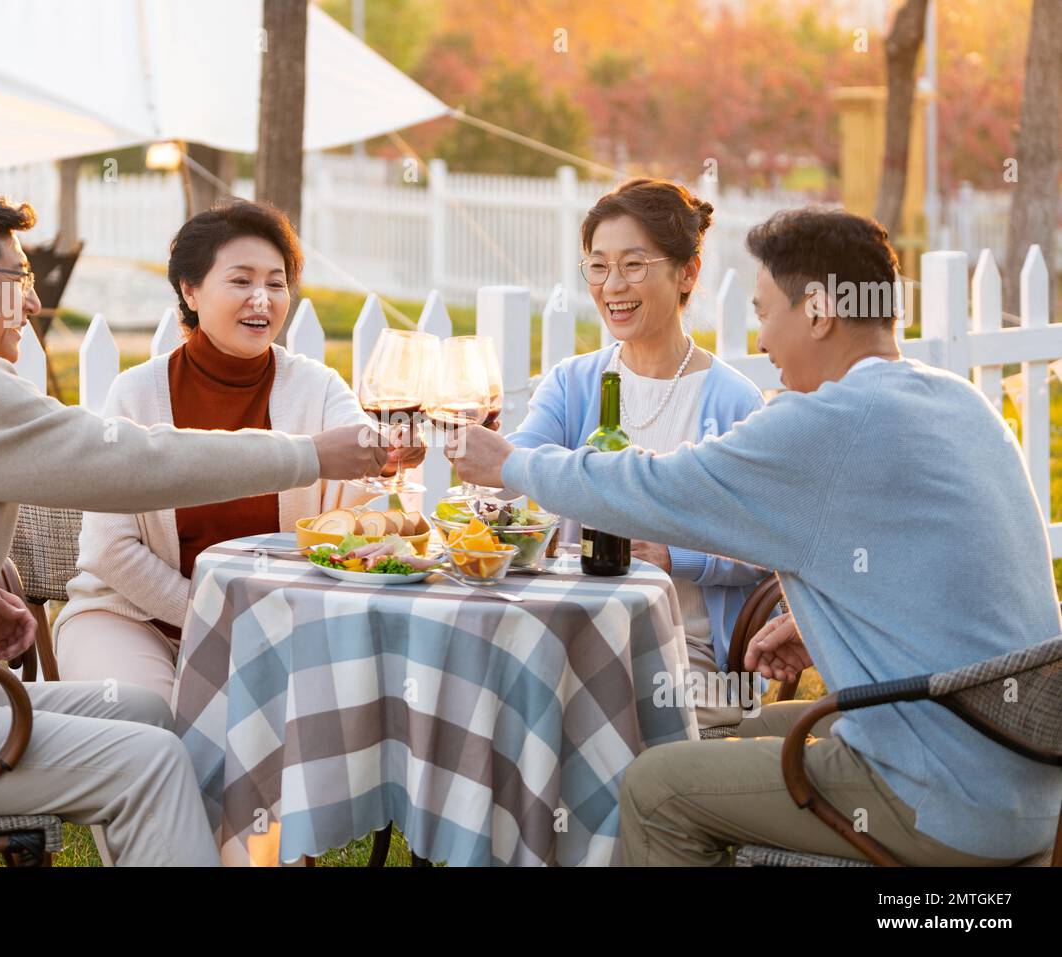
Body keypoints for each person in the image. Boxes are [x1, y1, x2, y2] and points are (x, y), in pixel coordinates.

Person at [0, 189, 399, 866]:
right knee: (148, 762)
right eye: (17, 279)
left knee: (153, 718)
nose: (33, 303)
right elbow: (133, 460)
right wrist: (308, 454)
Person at [446, 207, 1062, 865]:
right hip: (1025, 782)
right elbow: (959, 568)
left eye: (766, 312)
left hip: (940, 801)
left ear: (820, 312)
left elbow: (655, 490)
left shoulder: (822, 424)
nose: (762, 340)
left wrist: (510, 464)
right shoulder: (958, 401)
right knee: (707, 732)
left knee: (655, 789)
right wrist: (828, 619)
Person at [53, 201, 412, 702]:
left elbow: (369, 467)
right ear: (190, 290)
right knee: (146, 715)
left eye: (276, 282)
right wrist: (218, 615)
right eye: (241, 281)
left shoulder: (318, 386)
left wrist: (394, 455)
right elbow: (107, 549)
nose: (262, 299)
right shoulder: (136, 394)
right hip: (134, 618)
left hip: (282, 619)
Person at [509, 178, 766, 727]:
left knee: (573, 708)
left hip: (685, 654)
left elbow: (763, 542)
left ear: (688, 273)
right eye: (598, 266)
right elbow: (516, 475)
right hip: (567, 624)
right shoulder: (573, 383)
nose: (612, 285)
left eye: (633, 264)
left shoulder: (733, 399)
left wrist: (676, 557)